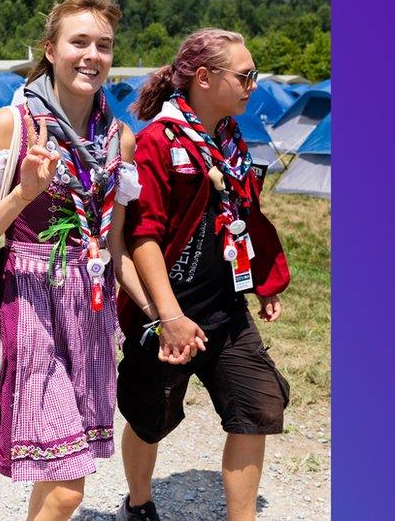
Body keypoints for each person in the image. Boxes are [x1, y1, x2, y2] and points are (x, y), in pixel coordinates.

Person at [0, 0, 150, 520]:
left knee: (57, 473)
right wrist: (23, 194)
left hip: (89, 314)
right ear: (50, 48)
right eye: (79, 41)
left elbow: (114, 245)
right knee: (67, 488)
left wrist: (163, 314)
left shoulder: (119, 140)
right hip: (31, 307)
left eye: (104, 45)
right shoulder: (10, 126)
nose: (93, 56)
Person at [115, 28, 291, 521]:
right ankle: (140, 503)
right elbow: (142, 236)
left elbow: (242, 218)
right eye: (245, 75)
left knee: (257, 409)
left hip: (226, 311)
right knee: (152, 418)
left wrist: (262, 279)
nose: (253, 83)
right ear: (204, 77)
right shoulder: (157, 141)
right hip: (167, 313)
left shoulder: (231, 143)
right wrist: (167, 316)